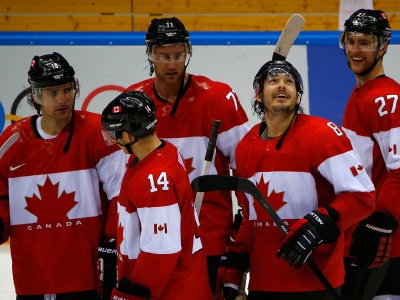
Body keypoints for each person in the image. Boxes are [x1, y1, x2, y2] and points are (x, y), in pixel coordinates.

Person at [216, 60, 376, 300]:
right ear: (258, 95)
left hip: (317, 283)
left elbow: (363, 196)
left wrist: (324, 220)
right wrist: (236, 267)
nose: (282, 85)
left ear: (297, 96)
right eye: (274, 81)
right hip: (263, 285)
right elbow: (250, 216)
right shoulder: (246, 146)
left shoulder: (322, 135)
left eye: (289, 82)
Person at [126, 17, 251, 295]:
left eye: (178, 55)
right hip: (152, 241)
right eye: (163, 56)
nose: (171, 64)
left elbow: (247, 162)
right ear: (150, 55)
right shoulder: (135, 101)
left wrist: (244, 223)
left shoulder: (217, 97)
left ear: (188, 52)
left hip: (210, 238)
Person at [0, 52, 127, 299]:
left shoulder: (97, 133)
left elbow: (120, 194)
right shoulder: (12, 141)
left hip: (87, 275)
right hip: (32, 277)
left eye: (67, 90)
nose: (63, 99)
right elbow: (1, 198)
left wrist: (112, 244)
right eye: (53, 93)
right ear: (35, 96)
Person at [101, 90, 214, 299]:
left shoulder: (154, 179)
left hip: (173, 291)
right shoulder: (165, 151)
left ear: (127, 136)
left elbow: (161, 250)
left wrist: (132, 296)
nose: (112, 140)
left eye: (113, 134)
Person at [339, 9, 400, 299]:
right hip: (365, 232)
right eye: (350, 41)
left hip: (386, 242)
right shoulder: (360, 93)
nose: (355, 50)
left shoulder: (386, 98)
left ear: (383, 46)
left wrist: (379, 223)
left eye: (364, 42)